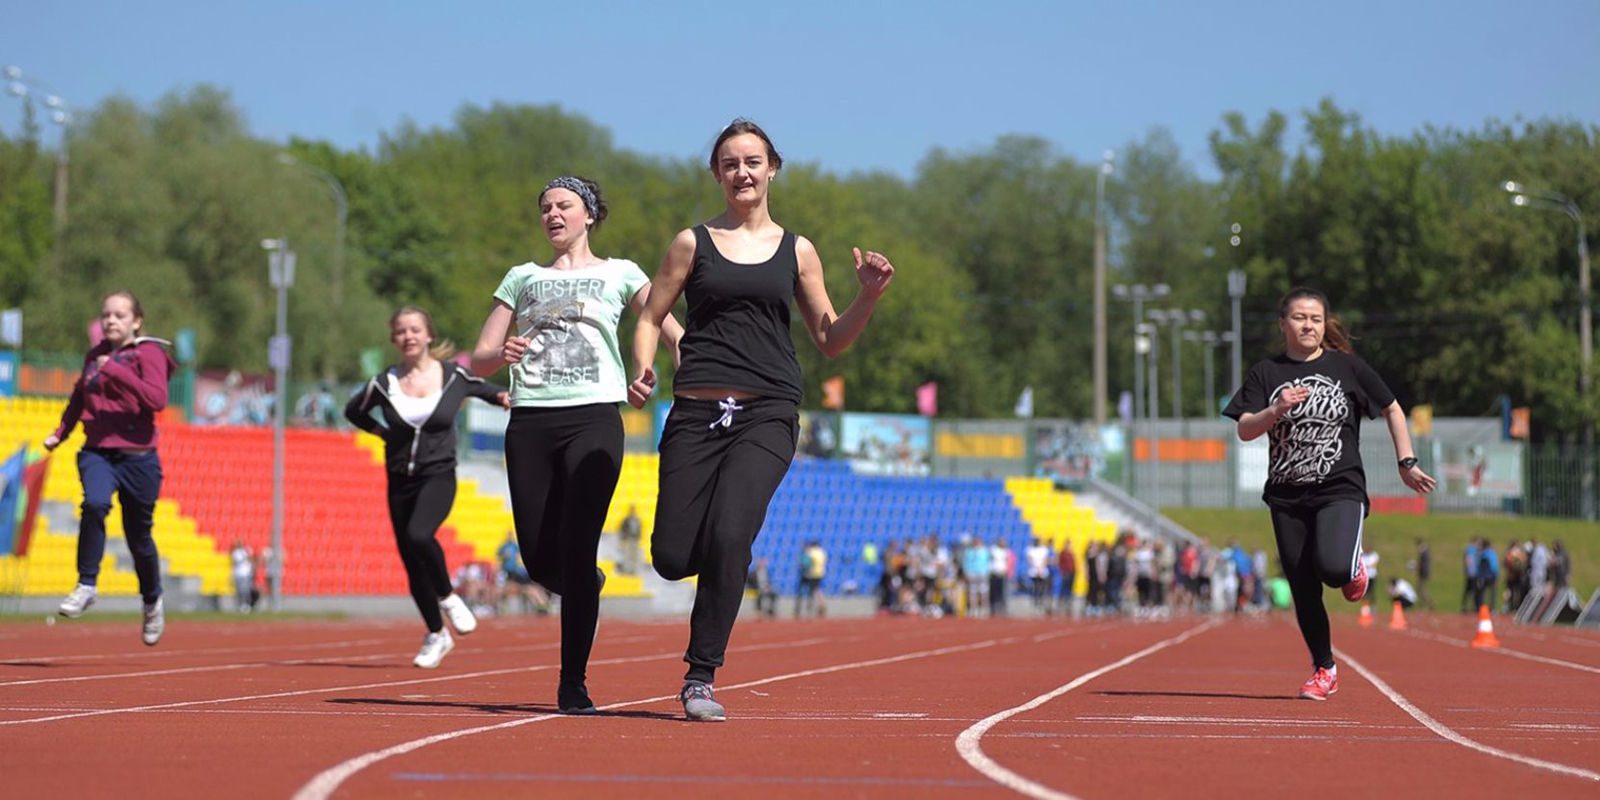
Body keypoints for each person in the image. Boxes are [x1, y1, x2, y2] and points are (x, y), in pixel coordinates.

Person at [629, 119, 895, 721]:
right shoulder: (689, 244)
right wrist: (644, 367)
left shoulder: (797, 250)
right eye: (729, 163)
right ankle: (715, 563)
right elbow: (650, 315)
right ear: (716, 174)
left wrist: (869, 297)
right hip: (696, 409)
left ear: (773, 167)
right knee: (672, 556)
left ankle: (700, 675)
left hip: (768, 411)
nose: (741, 172)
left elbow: (830, 339)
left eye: (752, 161)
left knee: (730, 536)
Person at [472, 175, 683, 715]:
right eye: (545, 207)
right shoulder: (521, 277)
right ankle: (585, 584)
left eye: (564, 205)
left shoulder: (621, 273)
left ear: (589, 214)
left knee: (577, 543)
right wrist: (503, 354)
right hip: (531, 420)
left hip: (594, 417)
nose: (553, 214)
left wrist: (658, 375)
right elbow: (480, 357)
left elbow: (664, 326)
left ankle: (573, 683)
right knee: (541, 562)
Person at [1222, 286, 1435, 701]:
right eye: (1300, 318)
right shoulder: (1266, 373)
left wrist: (1406, 462)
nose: (1308, 325)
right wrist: (1275, 409)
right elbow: (1244, 428)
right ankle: (1325, 669)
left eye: (1316, 319)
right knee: (1303, 587)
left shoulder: (1348, 368)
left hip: (1339, 486)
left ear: (1325, 325)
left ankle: (1353, 568)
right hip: (1286, 494)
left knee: (1335, 568)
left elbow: (1392, 407)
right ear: (1283, 324)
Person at [345, 306, 507, 669]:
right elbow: (353, 412)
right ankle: (436, 633)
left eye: (415, 329)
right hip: (399, 479)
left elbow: (489, 391)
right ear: (394, 339)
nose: (408, 336)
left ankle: (449, 597)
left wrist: (505, 398)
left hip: (438, 476)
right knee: (411, 564)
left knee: (420, 536)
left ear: (429, 335)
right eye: (401, 331)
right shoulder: (383, 383)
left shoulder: (452, 377)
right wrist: (382, 433)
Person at [46, 291, 177, 645]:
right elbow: (78, 397)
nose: (111, 321)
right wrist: (60, 432)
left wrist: (116, 371)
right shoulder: (95, 356)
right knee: (95, 503)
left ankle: (152, 600)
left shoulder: (149, 353)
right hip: (98, 452)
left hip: (139, 458)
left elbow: (157, 399)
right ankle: (86, 584)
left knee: (140, 540)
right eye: (106, 315)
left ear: (137, 321)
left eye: (120, 315)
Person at [618, 505, 643, 576]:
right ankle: (627, 570)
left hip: (635, 539)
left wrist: (639, 536)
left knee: (634, 555)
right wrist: (624, 537)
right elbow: (623, 528)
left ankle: (633, 570)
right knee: (627, 555)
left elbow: (640, 529)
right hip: (629, 539)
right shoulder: (627, 519)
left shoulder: (637, 519)